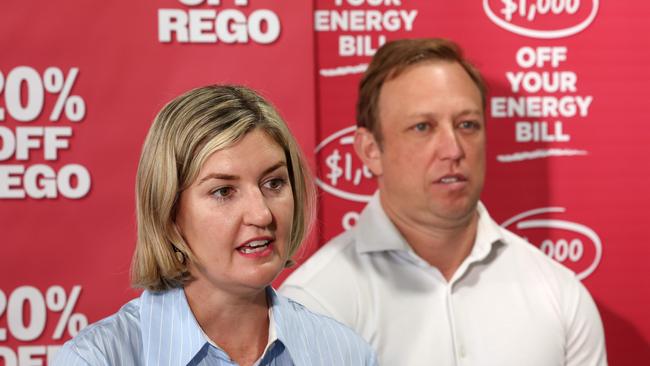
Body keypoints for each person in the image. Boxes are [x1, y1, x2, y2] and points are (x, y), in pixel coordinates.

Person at [280, 38, 607, 365]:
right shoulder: (316, 302)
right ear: (370, 151)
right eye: (423, 127)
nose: (454, 149)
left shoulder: (560, 295)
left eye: (467, 125)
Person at [53, 85, 378, 366]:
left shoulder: (343, 352)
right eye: (224, 191)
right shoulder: (101, 358)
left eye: (274, 183)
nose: (262, 214)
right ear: (169, 212)